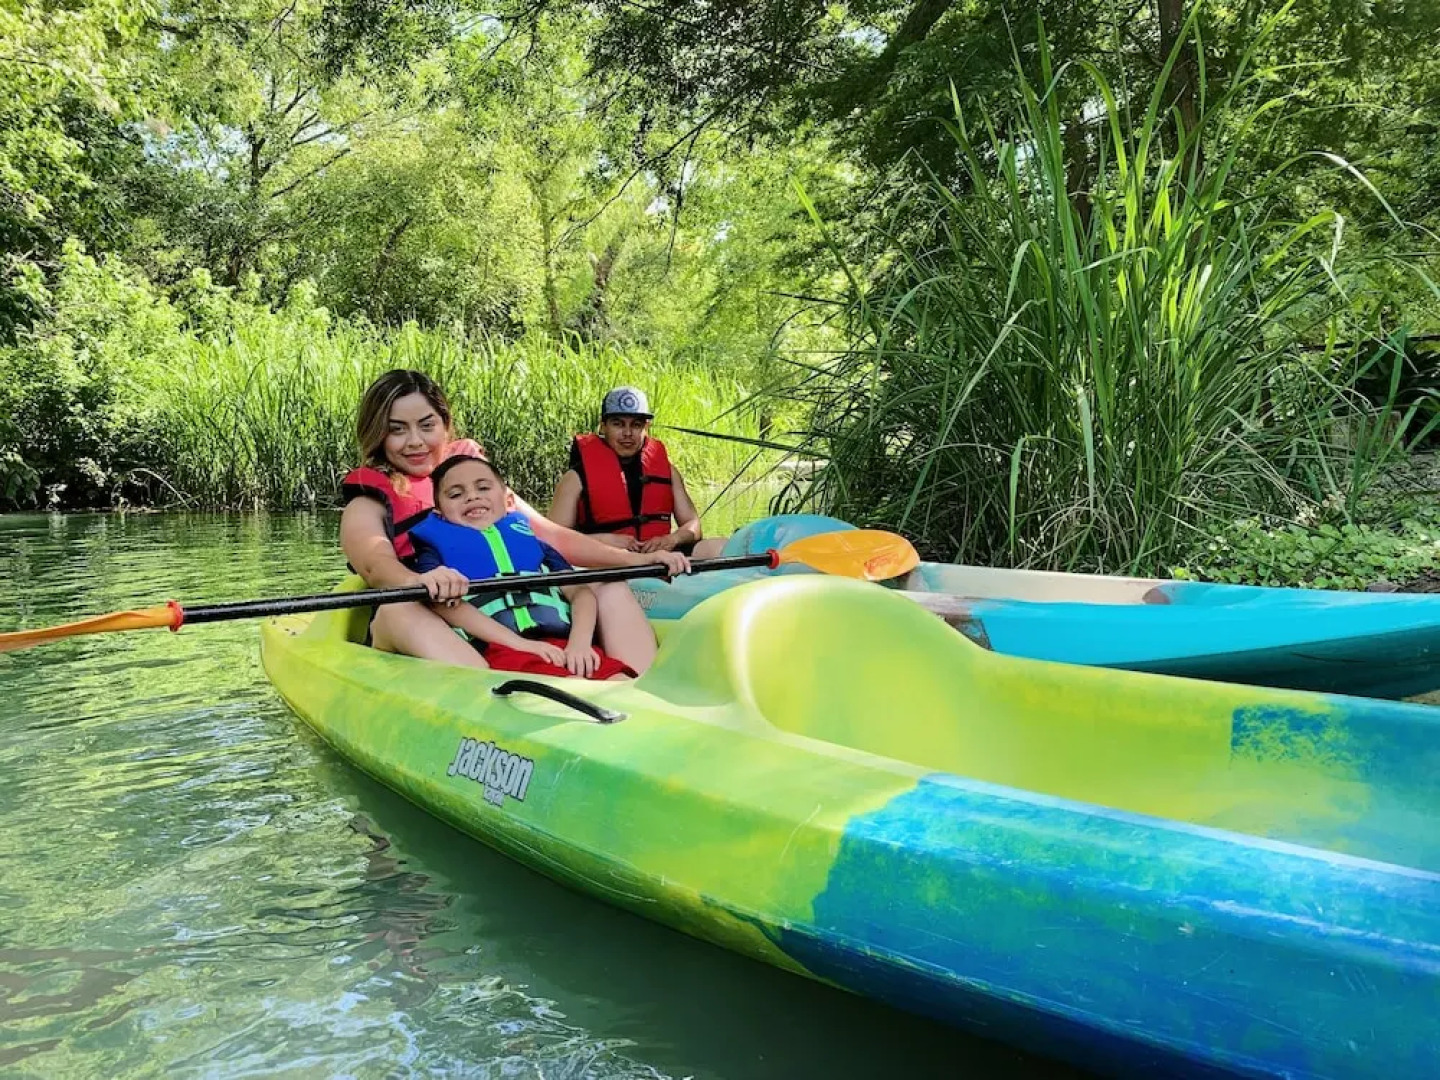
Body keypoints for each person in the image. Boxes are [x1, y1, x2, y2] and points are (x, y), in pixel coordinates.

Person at [339, 369, 688, 673]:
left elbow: (553, 537)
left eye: (426, 426)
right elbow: (375, 565)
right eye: (397, 429)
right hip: (435, 615)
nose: (414, 441)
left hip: (513, 608)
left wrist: (640, 562)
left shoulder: (475, 481)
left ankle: (641, 690)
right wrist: (422, 580)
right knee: (400, 607)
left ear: (445, 425)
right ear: (378, 434)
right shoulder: (370, 498)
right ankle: (494, 706)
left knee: (608, 584)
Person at [410, 455, 633, 680]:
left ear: (508, 500)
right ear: (440, 514)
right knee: (573, 686)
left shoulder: (537, 547)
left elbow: (580, 593)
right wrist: (522, 645)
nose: (473, 496)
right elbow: (443, 605)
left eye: (484, 488)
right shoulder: (434, 556)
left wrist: (580, 643)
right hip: (502, 651)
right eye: (456, 494)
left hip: (563, 644)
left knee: (619, 681)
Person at [548, 386, 728, 559]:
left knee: (719, 547)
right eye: (618, 424)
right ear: (603, 427)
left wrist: (672, 539)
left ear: (646, 428)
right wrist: (601, 541)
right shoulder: (575, 478)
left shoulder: (668, 472)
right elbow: (553, 540)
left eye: (636, 425)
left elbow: (693, 526)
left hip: (658, 560)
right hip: (604, 562)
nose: (627, 433)